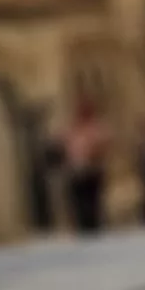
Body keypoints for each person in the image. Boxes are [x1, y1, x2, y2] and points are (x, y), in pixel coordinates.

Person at [56, 98, 109, 235]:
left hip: (91, 171)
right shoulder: (72, 129)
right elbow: (64, 147)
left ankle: (93, 228)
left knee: (92, 203)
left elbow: (102, 146)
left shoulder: (96, 128)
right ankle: (81, 228)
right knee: (78, 203)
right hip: (75, 172)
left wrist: (93, 154)